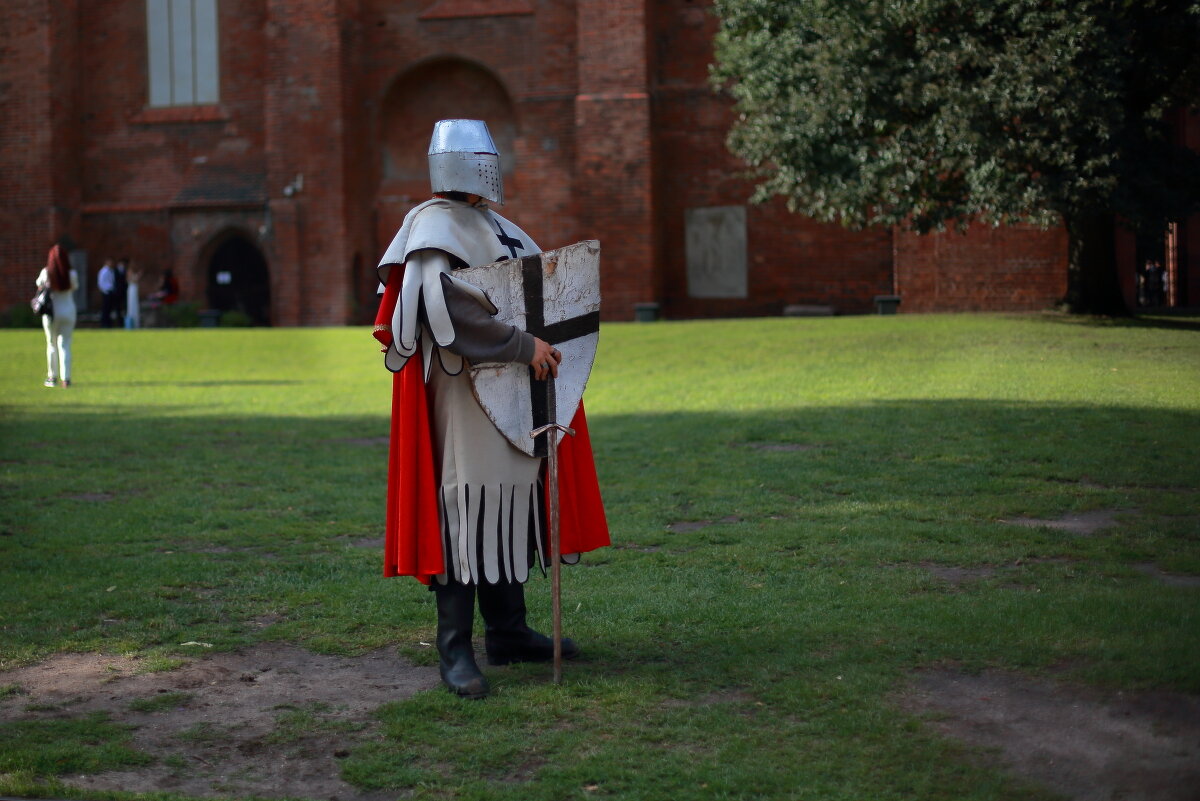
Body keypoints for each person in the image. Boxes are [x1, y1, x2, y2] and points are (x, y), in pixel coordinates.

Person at [373, 119, 609, 699]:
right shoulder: (431, 228)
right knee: (467, 510)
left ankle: (507, 631)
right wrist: (525, 348)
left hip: (520, 394)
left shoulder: (499, 227)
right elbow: (448, 315)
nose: (491, 171)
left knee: (515, 504)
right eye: (485, 160)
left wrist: (538, 348)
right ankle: (454, 647)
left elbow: (540, 294)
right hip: (467, 391)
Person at [36, 244, 79, 387]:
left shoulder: (46, 272)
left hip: (51, 312)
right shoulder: (71, 274)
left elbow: (39, 285)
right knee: (65, 344)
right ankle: (66, 379)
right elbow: (74, 287)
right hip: (68, 310)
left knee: (51, 344)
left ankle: (52, 378)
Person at [97, 258, 117, 328]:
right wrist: (105, 291)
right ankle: (104, 323)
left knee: (109, 308)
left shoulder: (111, 271)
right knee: (105, 308)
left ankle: (108, 323)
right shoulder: (103, 271)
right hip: (106, 292)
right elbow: (101, 282)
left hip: (110, 291)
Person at [124, 261, 141, 329]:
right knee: (131, 305)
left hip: (135, 288)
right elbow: (130, 280)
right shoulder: (129, 271)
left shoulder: (133, 271)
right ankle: (131, 323)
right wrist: (137, 276)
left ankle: (136, 322)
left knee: (135, 305)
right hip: (132, 289)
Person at [114, 257, 129, 322]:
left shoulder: (126, 270)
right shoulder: (115, 270)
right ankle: (118, 320)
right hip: (117, 291)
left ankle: (124, 320)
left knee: (125, 306)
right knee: (118, 306)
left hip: (124, 291)